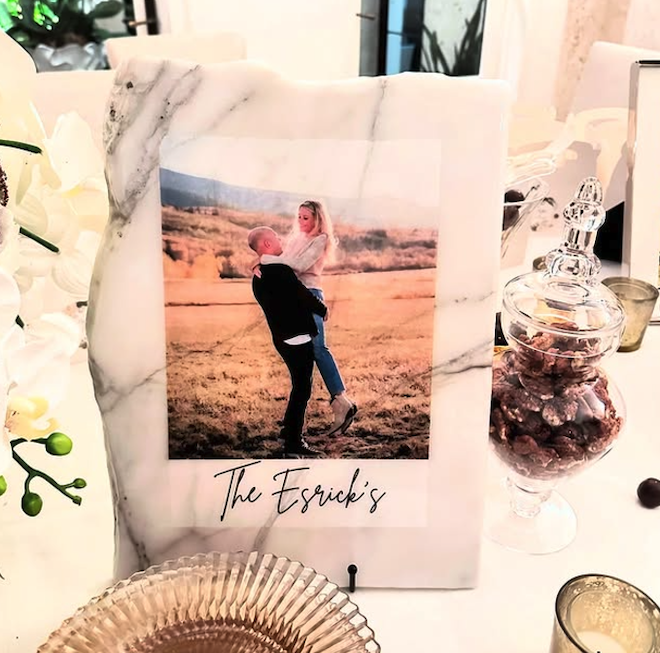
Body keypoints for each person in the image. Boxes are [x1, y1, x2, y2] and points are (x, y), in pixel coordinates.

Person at [260, 200, 357, 436]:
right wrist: (260, 265)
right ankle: (295, 419)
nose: (301, 221)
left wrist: (263, 259)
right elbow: (283, 265)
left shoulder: (320, 239)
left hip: (311, 294)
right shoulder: (296, 238)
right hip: (296, 297)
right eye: (299, 217)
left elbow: (297, 265)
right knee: (302, 353)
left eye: (306, 218)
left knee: (317, 348)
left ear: (318, 219)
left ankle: (341, 401)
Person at [248, 226, 327, 458]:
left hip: (281, 338)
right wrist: (322, 308)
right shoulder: (280, 271)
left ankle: (288, 430)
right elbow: (300, 292)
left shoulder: (259, 276)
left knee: (298, 385)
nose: (280, 239)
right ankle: (294, 441)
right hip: (297, 337)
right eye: (275, 237)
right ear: (266, 245)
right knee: (302, 389)